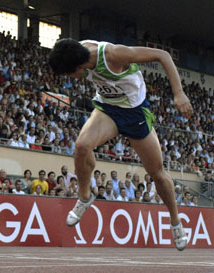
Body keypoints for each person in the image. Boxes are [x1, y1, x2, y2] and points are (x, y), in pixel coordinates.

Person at [49, 38, 193, 251]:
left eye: (70, 74)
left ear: (79, 67)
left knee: (157, 173)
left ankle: (175, 222)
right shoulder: (75, 50)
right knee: (82, 146)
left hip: (135, 114)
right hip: (107, 110)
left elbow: (163, 56)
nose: (70, 78)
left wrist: (179, 93)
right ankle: (85, 197)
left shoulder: (115, 55)